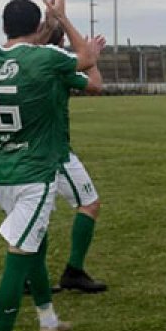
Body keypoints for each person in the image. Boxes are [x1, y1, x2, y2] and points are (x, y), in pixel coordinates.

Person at [0, 0, 102, 331]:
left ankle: (48, 322)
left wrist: (46, 23)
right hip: (35, 172)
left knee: (35, 247)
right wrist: (62, 17)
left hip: (3, 169)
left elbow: (28, 54)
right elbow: (85, 59)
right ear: (37, 27)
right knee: (19, 258)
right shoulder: (46, 58)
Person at [44, 25, 108, 292]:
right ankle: (74, 271)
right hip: (54, 152)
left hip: (16, 154)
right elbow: (95, 86)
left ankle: (27, 274)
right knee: (89, 204)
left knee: (30, 216)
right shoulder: (57, 67)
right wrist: (90, 60)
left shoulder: (15, 64)